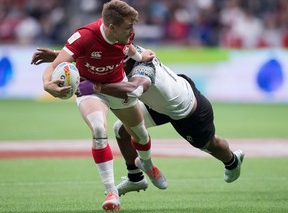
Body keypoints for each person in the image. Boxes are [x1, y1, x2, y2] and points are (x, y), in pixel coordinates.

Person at [31, 45, 244, 198]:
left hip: (186, 109)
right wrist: (58, 56)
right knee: (122, 130)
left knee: (209, 145)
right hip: (158, 103)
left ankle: (232, 161)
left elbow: (133, 89)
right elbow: (96, 58)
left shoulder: (144, 67)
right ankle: (135, 177)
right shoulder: (122, 54)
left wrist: (98, 87)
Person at [31, 0, 167, 212]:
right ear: (111, 27)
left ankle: (148, 166)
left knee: (140, 134)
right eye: (128, 27)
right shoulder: (84, 36)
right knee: (98, 128)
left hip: (117, 86)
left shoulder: (126, 32)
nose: (133, 31)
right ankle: (111, 192)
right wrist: (47, 84)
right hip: (89, 89)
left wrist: (140, 56)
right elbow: (54, 66)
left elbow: (127, 47)